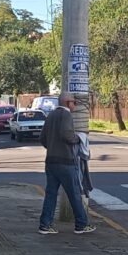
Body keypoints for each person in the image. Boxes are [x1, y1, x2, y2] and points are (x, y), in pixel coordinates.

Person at [38, 93, 95, 235]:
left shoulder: (50, 115)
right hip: (66, 162)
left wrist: (52, 146)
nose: (75, 105)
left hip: (51, 161)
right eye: (74, 102)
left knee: (51, 194)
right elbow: (67, 134)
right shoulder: (66, 115)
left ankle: (45, 225)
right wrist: (78, 139)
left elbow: (42, 138)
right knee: (74, 193)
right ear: (67, 103)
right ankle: (81, 224)